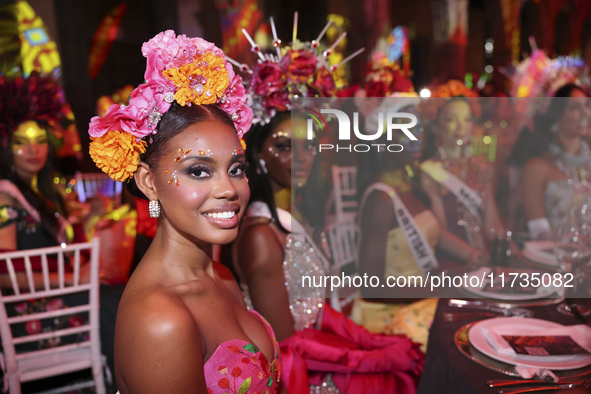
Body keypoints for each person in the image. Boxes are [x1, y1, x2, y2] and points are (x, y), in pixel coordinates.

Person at [88, 31, 282, 393]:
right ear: (148, 182)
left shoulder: (220, 277)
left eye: (236, 169)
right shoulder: (159, 317)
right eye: (198, 170)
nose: (229, 189)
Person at [232, 111, 424, 394]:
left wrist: (368, 341)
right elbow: (284, 345)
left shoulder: (298, 215)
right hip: (295, 371)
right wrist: (369, 358)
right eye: (284, 146)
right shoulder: (261, 235)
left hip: (316, 346)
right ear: (259, 154)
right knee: (392, 378)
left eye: (308, 145)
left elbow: (314, 306)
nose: (301, 157)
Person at [0, 72, 87, 288]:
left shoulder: (45, 190)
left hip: (63, 293)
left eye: (40, 140)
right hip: (35, 310)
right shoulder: (4, 197)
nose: (33, 149)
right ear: (6, 147)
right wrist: (74, 280)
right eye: (21, 142)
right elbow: (6, 276)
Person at [419, 89, 504, 265]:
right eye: (451, 120)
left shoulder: (478, 166)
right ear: (435, 127)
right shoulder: (429, 170)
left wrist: (508, 250)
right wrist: (474, 256)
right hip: (453, 265)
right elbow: (439, 233)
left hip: (485, 261)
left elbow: (492, 227)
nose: (461, 126)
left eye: (466, 119)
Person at [508, 84, 590, 239]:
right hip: (556, 258)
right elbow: (539, 233)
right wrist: (578, 242)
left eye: (587, 105)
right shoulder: (537, 167)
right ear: (555, 115)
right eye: (574, 108)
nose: (586, 113)